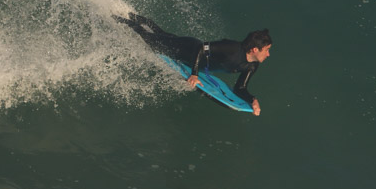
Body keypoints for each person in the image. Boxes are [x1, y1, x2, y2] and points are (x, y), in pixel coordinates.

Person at [116, 13, 272, 116]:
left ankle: (137, 17)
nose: (268, 54)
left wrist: (253, 100)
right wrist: (194, 74)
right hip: (185, 49)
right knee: (150, 39)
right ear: (254, 49)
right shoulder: (232, 48)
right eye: (266, 50)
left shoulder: (252, 65)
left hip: (188, 54)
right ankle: (120, 19)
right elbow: (202, 48)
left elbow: (240, 88)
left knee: (162, 34)